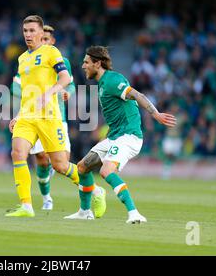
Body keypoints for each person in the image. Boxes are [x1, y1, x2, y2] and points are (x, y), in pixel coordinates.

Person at [65, 46, 177, 223]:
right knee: (82, 167)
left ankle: (134, 213)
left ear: (97, 63)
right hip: (115, 136)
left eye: (86, 62)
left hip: (129, 136)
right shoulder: (102, 83)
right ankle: (85, 212)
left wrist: (155, 114)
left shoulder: (112, 80)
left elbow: (137, 94)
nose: (83, 65)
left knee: (106, 170)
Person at [11, 25, 106, 215]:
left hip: (55, 117)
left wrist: (65, 93)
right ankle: (38, 201)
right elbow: (21, 90)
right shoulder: (25, 59)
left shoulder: (59, 59)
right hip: (30, 116)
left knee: (60, 164)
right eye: (40, 37)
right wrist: (19, 114)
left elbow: (69, 85)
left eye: (46, 39)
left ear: (51, 41)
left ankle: (94, 189)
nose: (42, 41)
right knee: (35, 157)